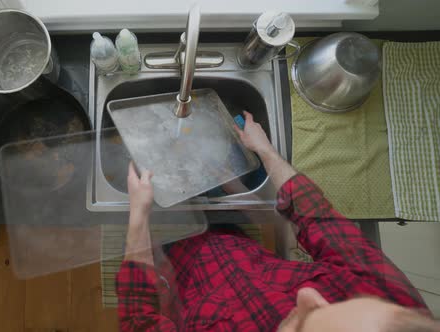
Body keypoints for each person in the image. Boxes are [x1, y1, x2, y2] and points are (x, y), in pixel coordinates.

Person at [115, 111, 440, 331]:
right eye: (332, 302)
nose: (308, 295)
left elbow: (139, 319)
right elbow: (318, 217)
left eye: (305, 323)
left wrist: (139, 216)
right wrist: (263, 151)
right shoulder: (395, 307)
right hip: (235, 241)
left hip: (178, 264)